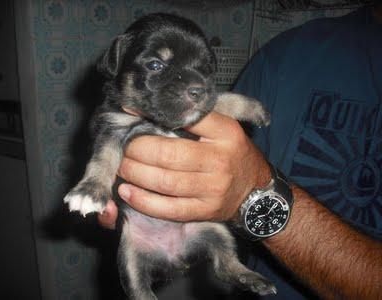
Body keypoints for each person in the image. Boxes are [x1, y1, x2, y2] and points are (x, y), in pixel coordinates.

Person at [98, 4, 382, 299]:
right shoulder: (284, 55)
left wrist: (252, 193)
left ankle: (229, 266)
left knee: (220, 246)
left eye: (204, 69)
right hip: (147, 224)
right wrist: (99, 180)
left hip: (204, 237)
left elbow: (217, 109)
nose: (195, 85)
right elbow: (214, 130)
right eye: (157, 65)